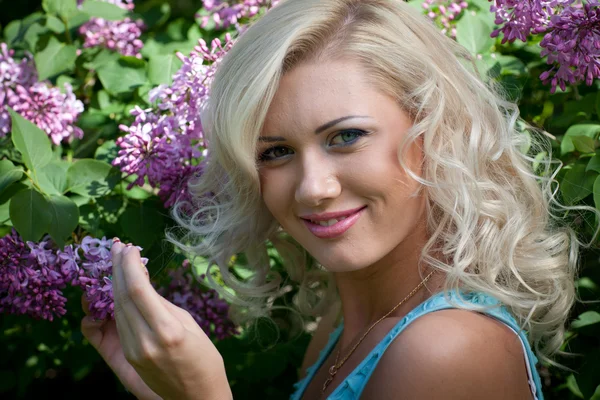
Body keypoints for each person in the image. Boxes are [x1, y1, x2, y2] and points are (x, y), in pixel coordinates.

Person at [80, 0, 592, 399]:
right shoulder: (339, 326)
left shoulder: (445, 350)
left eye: (346, 137)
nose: (312, 187)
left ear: (436, 132)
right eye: (276, 152)